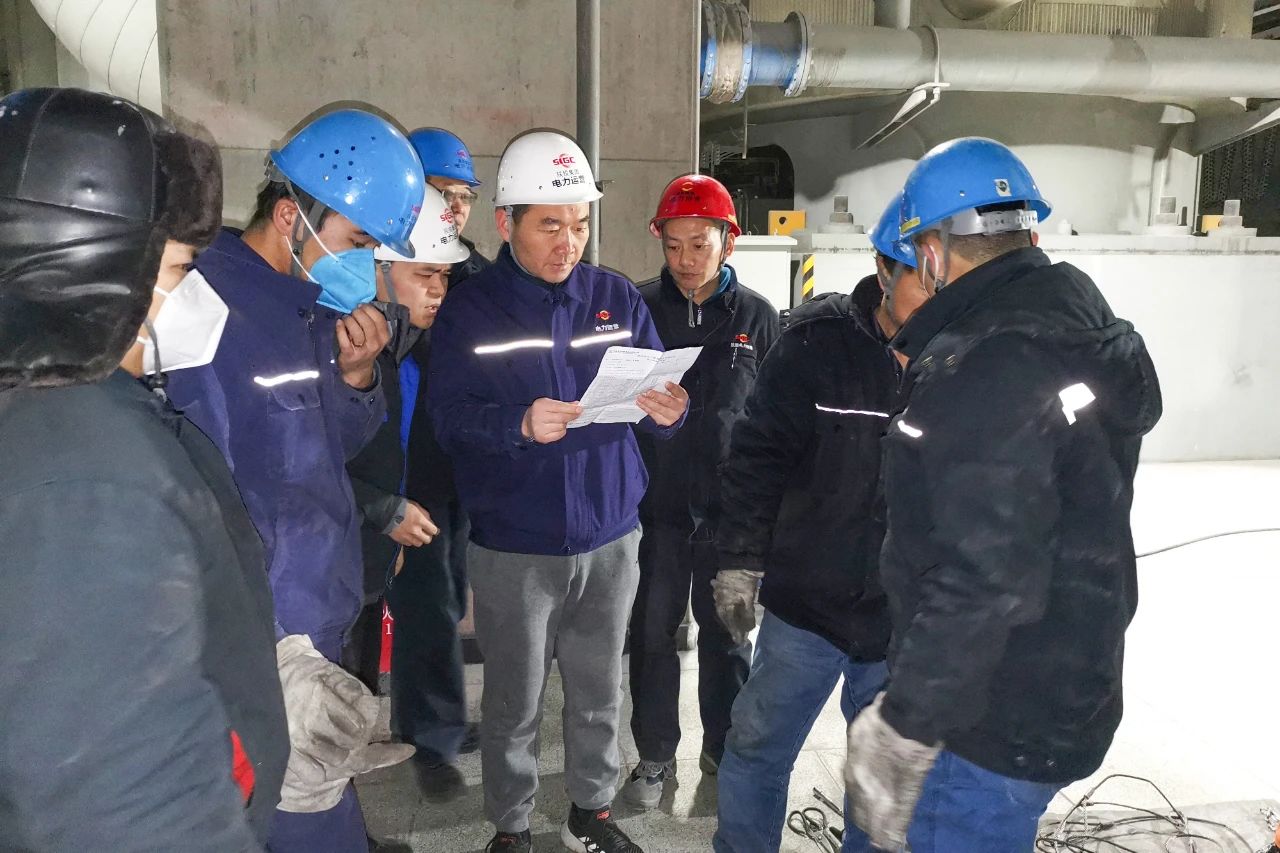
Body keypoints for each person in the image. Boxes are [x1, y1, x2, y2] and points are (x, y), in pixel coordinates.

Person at [843, 138, 1163, 853]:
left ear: (933, 253)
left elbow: (982, 575)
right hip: (1067, 674)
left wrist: (906, 722)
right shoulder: (1079, 325)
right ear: (1029, 234)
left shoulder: (985, 364)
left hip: (987, 714)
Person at [0, 87, 288, 851]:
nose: (197, 294)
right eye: (183, 266)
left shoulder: (63, 414)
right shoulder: (85, 478)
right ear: (101, 265)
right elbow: (126, 801)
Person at [163, 108, 423, 853]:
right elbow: (193, 488)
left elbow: (321, 449)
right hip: (262, 639)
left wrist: (357, 376)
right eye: (358, 242)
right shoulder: (203, 309)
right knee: (296, 820)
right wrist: (267, 646)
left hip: (314, 613)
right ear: (290, 217)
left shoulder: (308, 308)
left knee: (310, 808)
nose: (367, 267)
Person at [427, 129, 690, 853]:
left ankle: (590, 814)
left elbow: (653, 395)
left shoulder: (615, 297)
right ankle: (511, 826)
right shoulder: (471, 311)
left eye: (578, 225)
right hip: (515, 545)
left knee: (601, 693)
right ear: (505, 222)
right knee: (512, 703)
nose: (568, 243)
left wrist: (671, 411)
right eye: (550, 225)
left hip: (611, 537)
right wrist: (516, 423)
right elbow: (447, 420)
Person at [710, 194, 927, 853]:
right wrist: (739, 559)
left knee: (881, 776)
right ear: (885, 269)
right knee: (756, 746)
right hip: (805, 607)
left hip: (900, 618)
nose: (940, 296)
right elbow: (756, 457)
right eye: (924, 279)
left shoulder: (963, 356)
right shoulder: (815, 343)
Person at [622, 174, 778, 808]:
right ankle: (655, 755)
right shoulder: (637, 307)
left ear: (727, 243)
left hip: (730, 517)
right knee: (651, 637)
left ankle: (725, 748)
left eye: (699, 244)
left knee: (729, 638)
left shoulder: (758, 319)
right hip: (654, 509)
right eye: (672, 245)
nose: (684, 260)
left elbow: (775, 422)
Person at [389, 128, 493, 803]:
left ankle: (433, 717)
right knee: (424, 603)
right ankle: (429, 737)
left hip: (460, 468)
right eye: (440, 193)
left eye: (464, 196)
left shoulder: (476, 274)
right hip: (406, 471)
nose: (453, 208)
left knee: (447, 595)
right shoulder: (385, 264)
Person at [342, 188, 464, 695]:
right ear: (378, 269)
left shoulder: (404, 346)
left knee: (356, 700)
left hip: (370, 556)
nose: (438, 291)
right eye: (425, 275)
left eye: (445, 276)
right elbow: (290, 464)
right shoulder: (340, 343)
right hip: (326, 565)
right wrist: (382, 510)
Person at [411, 127, 491, 286]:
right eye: (447, 195)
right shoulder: (372, 266)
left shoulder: (483, 279)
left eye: (465, 197)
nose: (459, 208)